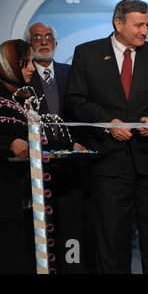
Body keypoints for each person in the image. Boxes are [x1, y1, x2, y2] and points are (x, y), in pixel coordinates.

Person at [66, 0, 148, 274]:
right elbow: (76, 100)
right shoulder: (86, 53)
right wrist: (107, 122)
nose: (145, 31)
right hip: (108, 164)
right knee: (111, 241)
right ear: (118, 23)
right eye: (139, 25)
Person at [24, 22, 92, 274]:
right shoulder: (22, 79)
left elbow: (84, 114)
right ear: (29, 45)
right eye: (37, 37)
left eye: (48, 37)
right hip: (37, 172)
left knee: (73, 235)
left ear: (55, 43)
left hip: (73, 171)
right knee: (42, 235)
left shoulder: (73, 73)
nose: (43, 41)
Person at [0, 39, 36, 273]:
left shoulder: (21, 97)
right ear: (11, 64)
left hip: (21, 195)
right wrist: (9, 142)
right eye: (26, 63)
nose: (32, 68)